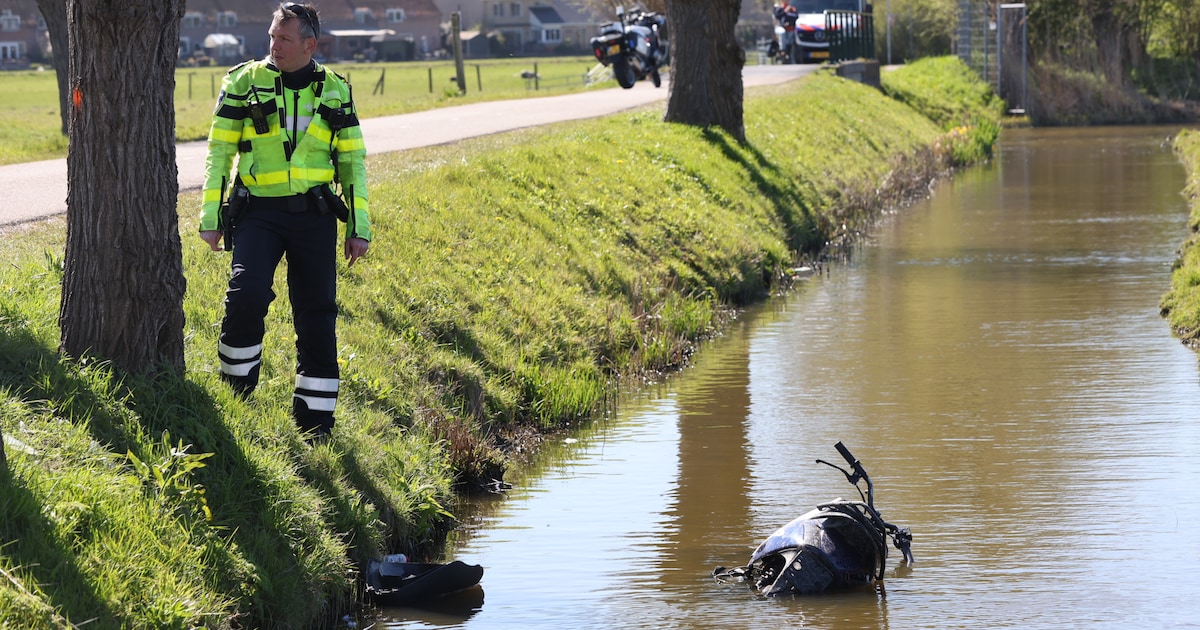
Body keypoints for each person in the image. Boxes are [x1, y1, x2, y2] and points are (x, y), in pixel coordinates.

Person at [199, 2, 372, 441]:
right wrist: (210, 216)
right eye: (272, 36)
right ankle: (235, 398)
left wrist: (359, 228)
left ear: (309, 45)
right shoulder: (243, 82)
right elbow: (219, 153)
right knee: (246, 295)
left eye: (284, 39)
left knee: (317, 315)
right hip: (258, 213)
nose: (274, 45)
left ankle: (315, 425)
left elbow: (352, 163)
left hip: (315, 217)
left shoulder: (336, 90)